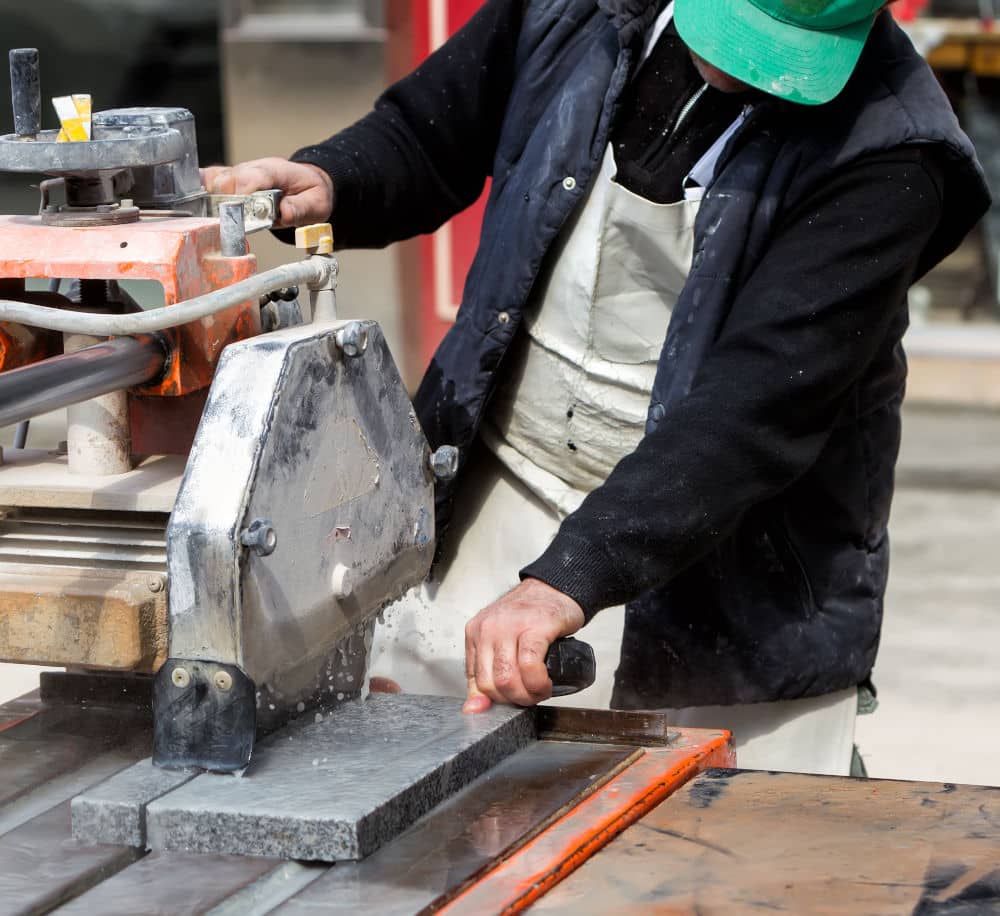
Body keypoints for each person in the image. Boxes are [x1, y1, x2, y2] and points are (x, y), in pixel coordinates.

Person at [204, 0, 989, 774]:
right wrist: (334, 178)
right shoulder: (573, 10)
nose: (754, 69)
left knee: (716, 852)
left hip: (734, 551)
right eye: (741, 31)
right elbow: (429, 133)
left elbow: (752, 411)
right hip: (506, 479)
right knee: (432, 776)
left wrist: (570, 578)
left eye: (787, 49)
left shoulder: (894, 153)